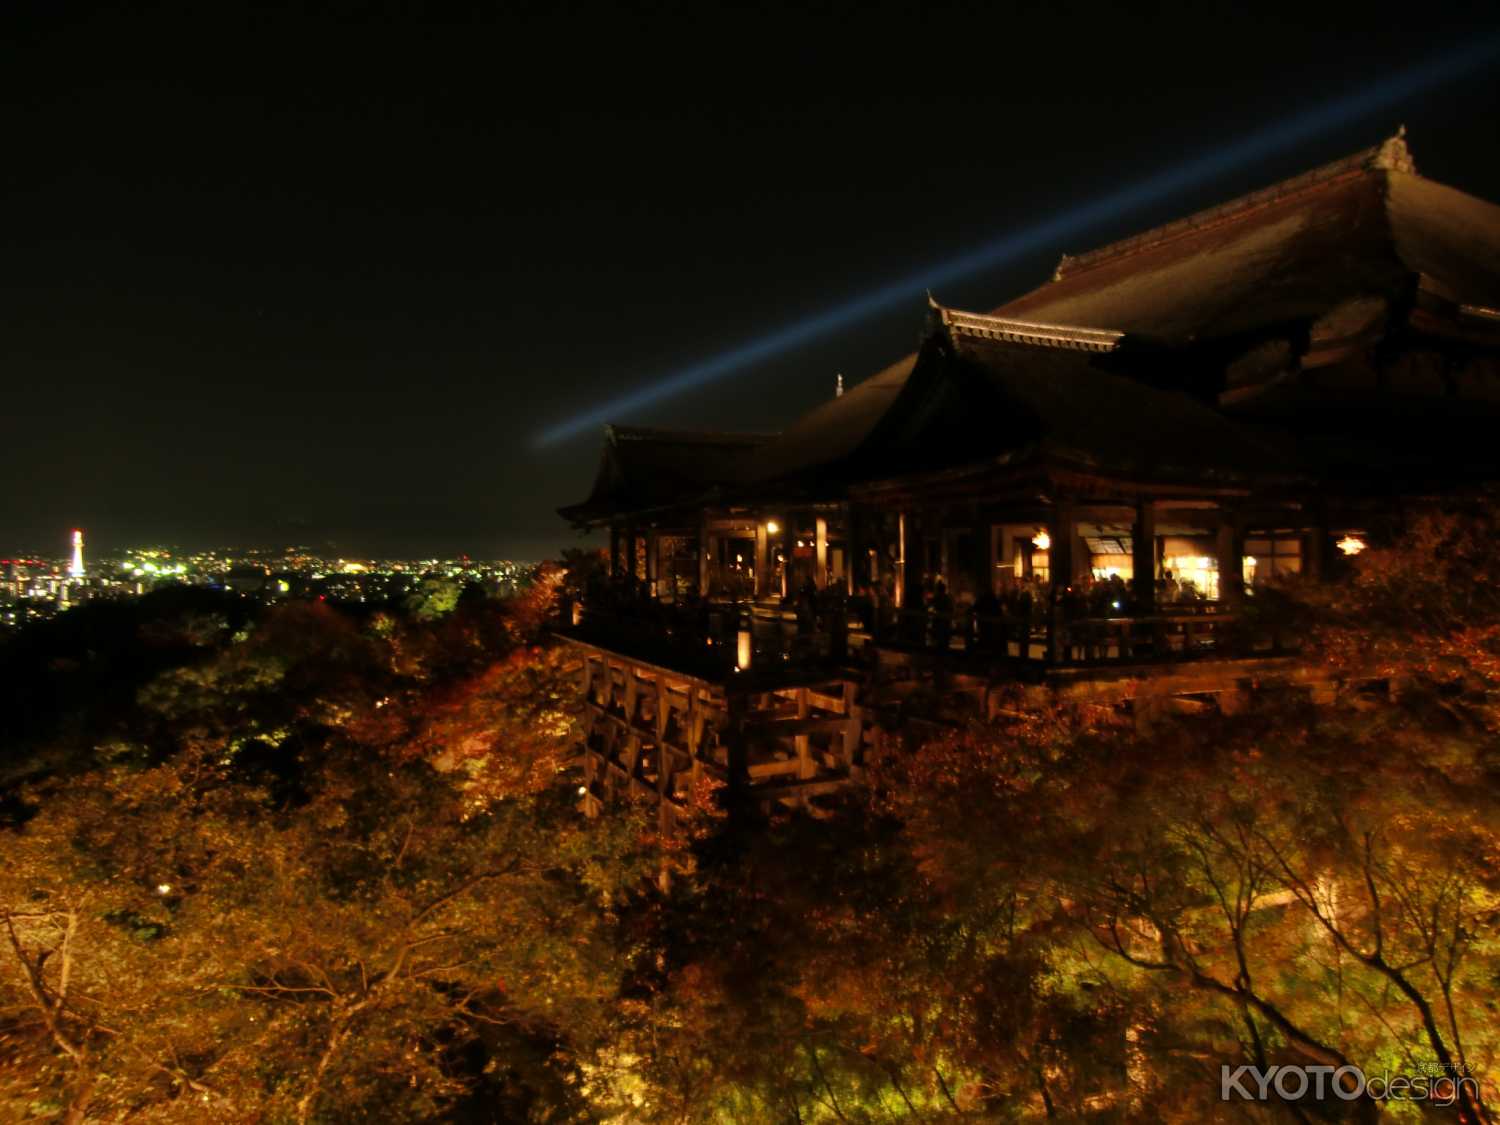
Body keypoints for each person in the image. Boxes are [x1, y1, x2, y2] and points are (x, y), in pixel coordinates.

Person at [930, 580, 954, 651]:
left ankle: (940, 649)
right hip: (945, 620)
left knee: (939, 636)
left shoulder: (938, 598)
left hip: (940, 619)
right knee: (944, 637)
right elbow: (951, 608)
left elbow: (931, 604)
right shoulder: (947, 598)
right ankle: (943, 649)